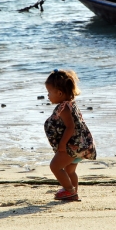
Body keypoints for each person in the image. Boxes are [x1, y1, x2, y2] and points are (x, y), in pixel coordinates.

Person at [44, 69, 96, 200]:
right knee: (70, 170)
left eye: (49, 92)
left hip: (71, 146)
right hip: (80, 145)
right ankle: (73, 193)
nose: (47, 95)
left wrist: (62, 144)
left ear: (59, 93)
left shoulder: (64, 108)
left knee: (55, 166)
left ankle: (69, 190)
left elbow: (70, 127)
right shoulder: (71, 105)